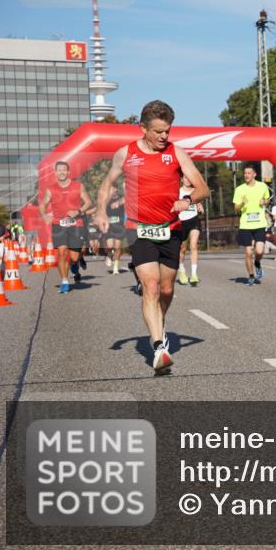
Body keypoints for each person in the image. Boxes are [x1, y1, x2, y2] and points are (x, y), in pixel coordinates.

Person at [94, 100, 209, 375]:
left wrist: (188, 200)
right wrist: (99, 210)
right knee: (152, 286)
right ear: (142, 128)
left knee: (167, 290)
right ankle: (159, 347)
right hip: (139, 228)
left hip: (170, 228)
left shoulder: (176, 153)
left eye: (167, 131)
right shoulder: (125, 154)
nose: (163, 137)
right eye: (158, 131)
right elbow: (107, 185)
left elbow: (203, 188)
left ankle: (159, 322)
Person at [40, 161, 93, 293]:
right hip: (59, 225)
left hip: (76, 224)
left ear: (68, 172)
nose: (62, 172)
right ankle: (64, 280)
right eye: (59, 170)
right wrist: (44, 215)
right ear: (55, 172)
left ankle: (75, 265)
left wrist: (78, 212)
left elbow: (88, 202)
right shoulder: (51, 189)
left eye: (64, 170)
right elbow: (43, 205)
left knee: (74, 257)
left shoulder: (78, 186)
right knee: (61, 252)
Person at [233, 165, 270, 285]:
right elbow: (236, 209)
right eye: (245, 173)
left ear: (254, 174)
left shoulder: (262, 186)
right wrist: (241, 204)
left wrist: (264, 202)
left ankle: (257, 263)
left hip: (259, 223)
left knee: (259, 251)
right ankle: (251, 275)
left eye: (249, 173)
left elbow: (267, 200)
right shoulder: (240, 189)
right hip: (245, 225)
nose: (246, 175)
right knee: (248, 252)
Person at [176, 174, 204, 286]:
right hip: (181, 221)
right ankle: (181, 270)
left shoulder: (195, 191)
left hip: (194, 220)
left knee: (193, 245)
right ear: (182, 179)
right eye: (185, 178)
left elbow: (199, 205)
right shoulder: (177, 191)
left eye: (189, 177)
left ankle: (194, 274)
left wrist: (201, 208)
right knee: (182, 249)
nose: (187, 180)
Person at [104, 184, 126, 275]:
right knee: (109, 246)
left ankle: (116, 268)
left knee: (117, 247)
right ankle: (109, 255)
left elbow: (127, 200)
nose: (112, 190)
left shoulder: (121, 198)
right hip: (109, 226)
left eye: (113, 188)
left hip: (119, 226)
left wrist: (125, 220)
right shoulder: (106, 200)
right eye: (110, 189)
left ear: (116, 189)